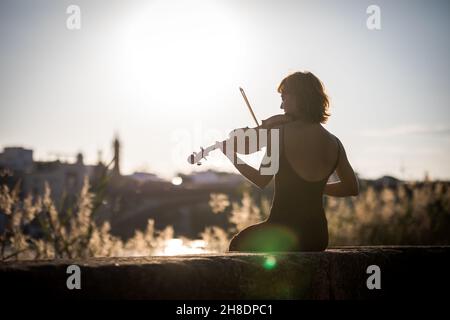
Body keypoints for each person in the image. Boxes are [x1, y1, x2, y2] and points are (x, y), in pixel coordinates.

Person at [223, 71, 359, 252]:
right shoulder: (335, 143)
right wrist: (313, 188)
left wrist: (231, 155)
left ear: (298, 97)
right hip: (317, 236)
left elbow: (261, 179)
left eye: (284, 98)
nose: (281, 106)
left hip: (282, 232)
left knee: (238, 244)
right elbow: (351, 188)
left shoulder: (280, 133)